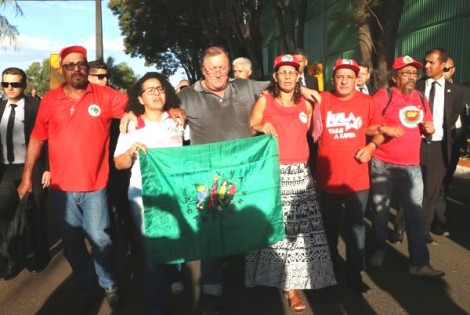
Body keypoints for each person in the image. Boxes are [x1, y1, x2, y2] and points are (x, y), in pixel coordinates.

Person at [121, 46, 320, 315]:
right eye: (212, 67)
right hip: (208, 178)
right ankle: (212, 288)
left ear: (228, 68)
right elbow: (157, 105)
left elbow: (281, 82)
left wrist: (305, 88)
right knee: (212, 232)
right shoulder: (187, 96)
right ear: (203, 70)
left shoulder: (246, 86)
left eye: (222, 67)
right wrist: (130, 112)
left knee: (249, 222)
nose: (218, 72)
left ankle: (257, 279)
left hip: (246, 174)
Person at [17, 45, 127, 311]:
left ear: (87, 68)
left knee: (100, 239)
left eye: (81, 64)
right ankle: (87, 284)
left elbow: (137, 106)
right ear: (62, 69)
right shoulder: (50, 100)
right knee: (73, 242)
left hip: (95, 185)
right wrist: (27, 177)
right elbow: (37, 138)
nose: (76, 68)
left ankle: (108, 281)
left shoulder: (105, 96)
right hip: (61, 189)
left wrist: (170, 110)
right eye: (70, 65)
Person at [245, 54, 336, 313]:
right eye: (282, 72)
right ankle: (288, 287)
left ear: (298, 76)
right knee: (279, 233)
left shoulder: (305, 103)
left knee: (301, 235)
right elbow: (251, 126)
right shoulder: (266, 99)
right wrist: (261, 125)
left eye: (291, 72)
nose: (287, 76)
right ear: (275, 76)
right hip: (274, 174)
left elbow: (312, 134)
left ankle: (295, 284)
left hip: (301, 175)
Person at [368, 55, 445, 278]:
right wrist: (385, 129)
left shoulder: (420, 97)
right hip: (383, 165)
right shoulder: (385, 95)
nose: (411, 77)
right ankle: (379, 250)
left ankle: (419, 263)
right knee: (381, 213)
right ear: (395, 77)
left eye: (414, 73)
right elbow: (368, 125)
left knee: (415, 216)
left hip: (412, 167)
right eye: (405, 73)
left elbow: (425, 126)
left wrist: (429, 128)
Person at [114, 72, 183, 315]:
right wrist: (131, 150)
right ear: (140, 98)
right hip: (141, 193)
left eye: (160, 88)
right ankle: (157, 308)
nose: (156, 93)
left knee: (175, 238)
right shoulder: (131, 124)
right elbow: (119, 163)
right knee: (152, 251)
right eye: (150, 90)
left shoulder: (177, 120)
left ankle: (174, 272)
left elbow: (191, 152)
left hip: (174, 192)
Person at [316, 58, 383, 293]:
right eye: (340, 76)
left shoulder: (367, 102)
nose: (344, 80)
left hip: (357, 179)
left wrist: (371, 147)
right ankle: (329, 271)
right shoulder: (321, 100)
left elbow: (379, 131)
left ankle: (355, 274)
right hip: (328, 179)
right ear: (333, 78)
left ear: (357, 79)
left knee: (356, 228)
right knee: (329, 228)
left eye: (349, 76)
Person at [0, 67, 50, 280]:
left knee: (35, 212)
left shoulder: (36, 107)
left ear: (25, 85)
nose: (10, 88)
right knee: (4, 214)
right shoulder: (0, 106)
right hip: (5, 170)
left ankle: (37, 254)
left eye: (15, 84)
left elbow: (48, 140)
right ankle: (12, 257)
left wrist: (48, 168)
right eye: (5, 84)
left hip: (34, 167)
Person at [417, 48, 466, 243]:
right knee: (411, 189)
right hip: (416, 145)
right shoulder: (417, 86)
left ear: (443, 65)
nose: (426, 66)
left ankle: (423, 229)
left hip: (439, 147)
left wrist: (455, 140)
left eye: (431, 62)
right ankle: (400, 225)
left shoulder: (457, 91)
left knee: (432, 192)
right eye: (426, 62)